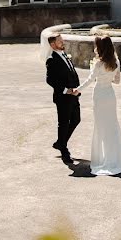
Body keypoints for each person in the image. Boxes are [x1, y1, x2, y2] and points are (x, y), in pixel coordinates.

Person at [75, 34, 121, 175]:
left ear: (101, 48)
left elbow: (89, 80)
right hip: (110, 96)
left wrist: (77, 90)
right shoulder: (116, 62)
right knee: (112, 127)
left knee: (101, 127)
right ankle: (116, 158)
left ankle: (104, 158)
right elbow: (117, 81)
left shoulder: (98, 64)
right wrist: (107, 77)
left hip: (99, 96)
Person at [44, 33, 80, 164]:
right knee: (63, 124)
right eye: (60, 41)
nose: (62, 42)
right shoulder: (51, 59)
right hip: (63, 97)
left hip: (74, 95)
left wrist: (77, 88)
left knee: (76, 119)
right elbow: (49, 80)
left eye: (62, 40)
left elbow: (72, 72)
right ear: (53, 44)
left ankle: (60, 142)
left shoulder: (65, 55)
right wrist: (66, 90)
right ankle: (64, 151)